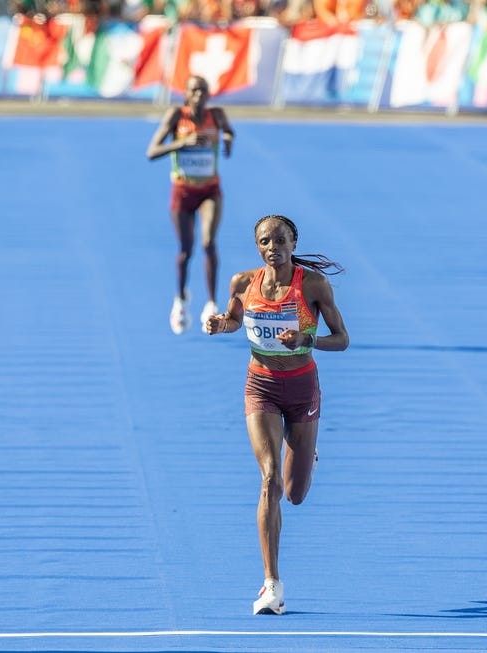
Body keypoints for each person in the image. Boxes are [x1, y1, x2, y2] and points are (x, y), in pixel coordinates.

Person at [204, 214, 349, 615]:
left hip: (302, 390)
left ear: (294, 242)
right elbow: (235, 319)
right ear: (258, 247)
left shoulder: (313, 285)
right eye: (266, 241)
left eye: (281, 240)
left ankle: (307, 455)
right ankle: (272, 584)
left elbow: (343, 339)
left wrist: (308, 339)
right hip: (261, 386)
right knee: (269, 480)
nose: (274, 247)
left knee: (295, 494)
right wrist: (221, 324)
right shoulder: (242, 283)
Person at [147, 75, 235, 335]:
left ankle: (211, 302)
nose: (199, 95)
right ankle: (181, 300)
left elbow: (229, 130)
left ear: (209, 95)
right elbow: (152, 151)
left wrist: (228, 139)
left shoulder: (216, 115)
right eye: (194, 90)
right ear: (186, 94)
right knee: (186, 251)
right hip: (183, 192)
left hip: (210, 190)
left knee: (208, 243)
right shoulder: (176, 115)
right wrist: (183, 142)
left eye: (203, 90)